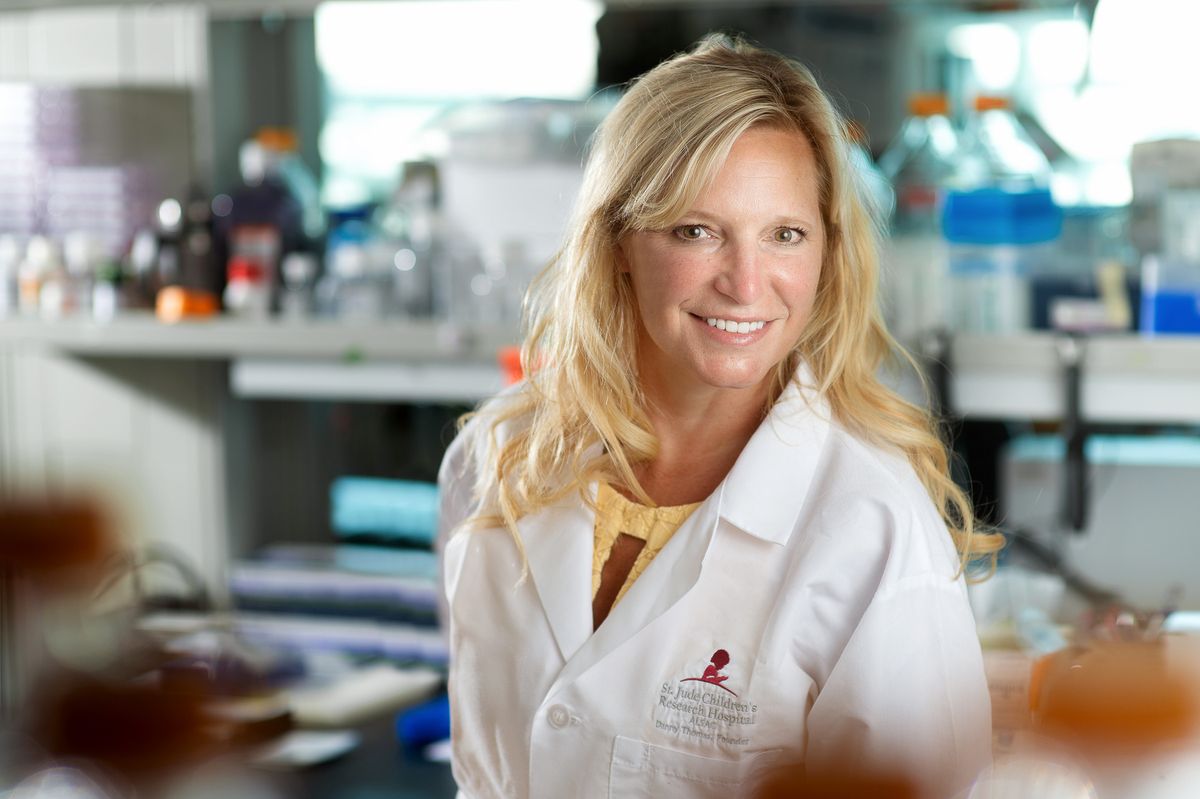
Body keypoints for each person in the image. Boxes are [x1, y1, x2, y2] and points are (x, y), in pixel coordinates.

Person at [437, 34, 1004, 799]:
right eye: (696, 231)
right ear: (620, 244)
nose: (745, 283)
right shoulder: (497, 456)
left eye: (785, 235)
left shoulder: (872, 523)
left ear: (827, 255)